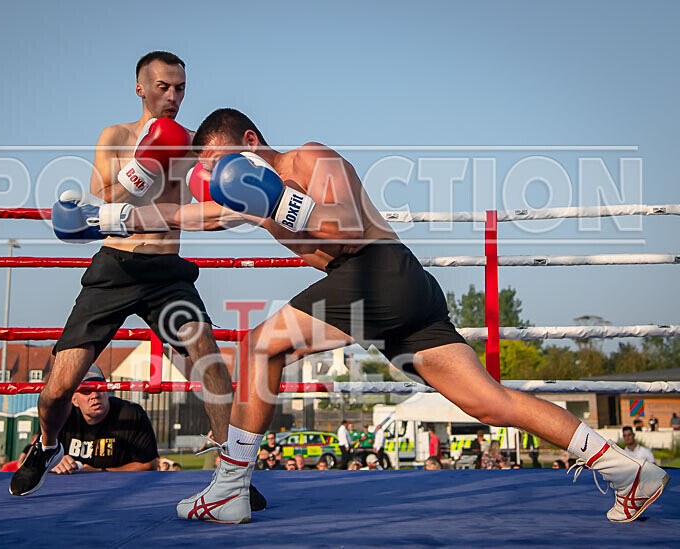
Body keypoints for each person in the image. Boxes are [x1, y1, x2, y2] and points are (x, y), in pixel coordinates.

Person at [90, 107, 670, 523]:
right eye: (209, 170)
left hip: (380, 269)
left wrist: (276, 202)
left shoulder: (307, 157)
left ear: (248, 138)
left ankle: (230, 487)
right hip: (396, 294)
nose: (216, 178)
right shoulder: (243, 195)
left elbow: (341, 223)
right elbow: (184, 217)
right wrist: (107, 220)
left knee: (261, 345)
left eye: (220, 163)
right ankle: (629, 472)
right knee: (488, 402)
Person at [13, 53, 265, 510]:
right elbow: (102, 200)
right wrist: (145, 162)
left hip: (167, 272)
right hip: (116, 267)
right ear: (141, 88)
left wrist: (245, 194)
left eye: (181, 88)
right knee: (58, 387)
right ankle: (47, 443)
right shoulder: (115, 136)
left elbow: (213, 202)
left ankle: (232, 475)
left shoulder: (191, 144)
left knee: (208, 363)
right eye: (165, 87)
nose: (174, 96)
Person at [48, 365, 159, 474]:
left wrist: (99, 472)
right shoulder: (61, 416)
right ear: (74, 400)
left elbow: (149, 464)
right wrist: (54, 461)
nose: (95, 395)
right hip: (70, 486)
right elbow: (36, 455)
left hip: (119, 486)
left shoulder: (131, 415)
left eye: (99, 388)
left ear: (107, 391)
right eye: (86, 391)